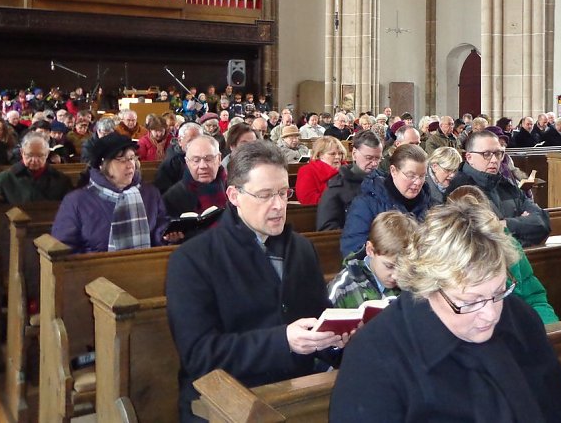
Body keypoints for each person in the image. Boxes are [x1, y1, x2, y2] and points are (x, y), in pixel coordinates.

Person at [329, 199, 561, 423]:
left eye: (498, 292)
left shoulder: (519, 317)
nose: (491, 315)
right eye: (471, 301)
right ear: (429, 286)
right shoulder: (374, 357)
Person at [166, 140, 348, 422]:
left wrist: (338, 337)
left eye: (282, 193)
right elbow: (200, 356)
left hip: (295, 393)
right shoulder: (193, 259)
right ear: (234, 196)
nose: (278, 205)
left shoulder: (301, 249)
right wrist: (283, 340)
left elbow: (317, 318)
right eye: (264, 195)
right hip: (222, 401)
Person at [447, 184, 559, 324]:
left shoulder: (508, 244)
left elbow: (534, 298)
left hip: (520, 326)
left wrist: (549, 329)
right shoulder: (449, 259)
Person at [51, 134, 170, 253]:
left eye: (132, 158)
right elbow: (63, 249)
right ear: (103, 164)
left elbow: (159, 230)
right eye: (122, 160)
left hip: (146, 267)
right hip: (95, 270)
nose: (130, 165)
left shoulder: (150, 194)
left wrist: (166, 237)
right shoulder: (76, 201)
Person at [446, 130, 550, 246]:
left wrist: (505, 224)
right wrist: (522, 224)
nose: (494, 160)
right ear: (469, 157)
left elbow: (542, 222)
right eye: (486, 154)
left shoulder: (506, 184)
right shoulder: (461, 190)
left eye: (498, 154)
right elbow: (478, 239)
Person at [340, 144, 433, 257]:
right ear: (393, 171)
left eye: (422, 176)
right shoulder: (365, 205)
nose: (418, 182)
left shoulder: (431, 205)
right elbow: (353, 253)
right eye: (411, 175)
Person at [328, 211, 417, 308]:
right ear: (370, 250)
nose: (396, 276)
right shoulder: (341, 288)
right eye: (389, 266)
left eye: (403, 267)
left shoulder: (414, 283)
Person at [316, 131, 383, 231]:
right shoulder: (337, 187)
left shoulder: (385, 182)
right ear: (355, 154)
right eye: (369, 158)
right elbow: (326, 228)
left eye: (377, 158)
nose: (374, 163)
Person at [0, 132, 73, 204]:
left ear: (47, 154)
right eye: (30, 155)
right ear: (22, 152)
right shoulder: (2, 181)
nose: (34, 160)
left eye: (40, 155)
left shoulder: (62, 180)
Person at [162, 135, 227, 219]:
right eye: (196, 160)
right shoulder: (173, 197)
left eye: (209, 159)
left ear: (219, 159)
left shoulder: (235, 186)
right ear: (187, 162)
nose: (203, 166)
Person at [294, 136, 346, 205]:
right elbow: (307, 200)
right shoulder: (307, 171)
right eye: (332, 154)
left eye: (340, 153)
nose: (338, 157)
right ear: (319, 155)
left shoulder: (346, 170)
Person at [154, 122, 202, 193]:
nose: (196, 144)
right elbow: (165, 193)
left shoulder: (206, 157)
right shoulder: (171, 162)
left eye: (199, 140)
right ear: (180, 141)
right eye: (190, 141)